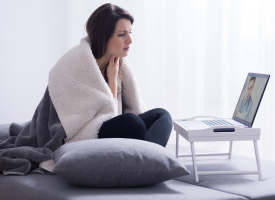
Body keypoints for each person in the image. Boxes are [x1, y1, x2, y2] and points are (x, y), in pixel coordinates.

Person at [85, 3, 172, 147]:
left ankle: (150, 159)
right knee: (133, 122)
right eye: (121, 34)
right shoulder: (82, 68)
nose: (129, 40)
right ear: (103, 36)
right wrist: (112, 80)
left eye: (129, 33)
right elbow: (102, 119)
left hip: (121, 126)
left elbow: (134, 106)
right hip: (92, 133)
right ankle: (149, 158)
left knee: (162, 115)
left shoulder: (120, 63)